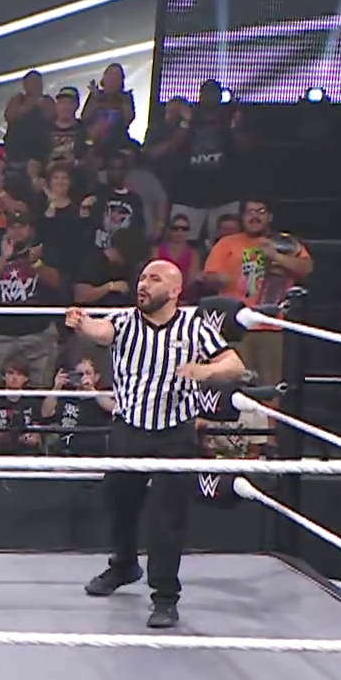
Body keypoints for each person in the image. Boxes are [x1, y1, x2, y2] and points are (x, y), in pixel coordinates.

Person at [63, 260, 243, 629]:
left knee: (166, 515)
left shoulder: (194, 327)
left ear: (175, 290)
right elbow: (101, 331)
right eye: (142, 277)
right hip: (129, 427)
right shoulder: (125, 320)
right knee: (119, 500)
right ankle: (124, 565)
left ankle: (164, 596)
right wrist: (82, 322)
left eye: (154, 279)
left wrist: (207, 370)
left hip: (175, 433)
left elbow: (234, 363)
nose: (143, 284)